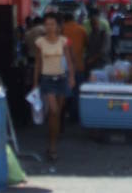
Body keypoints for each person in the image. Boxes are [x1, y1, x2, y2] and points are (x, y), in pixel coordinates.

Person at [33, 12, 75, 162]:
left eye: (52, 24)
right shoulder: (40, 42)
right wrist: (35, 82)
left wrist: (71, 77)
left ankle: (53, 143)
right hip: (47, 80)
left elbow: (69, 61)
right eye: (47, 24)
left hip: (62, 79)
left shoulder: (64, 41)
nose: (49, 27)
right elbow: (38, 63)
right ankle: (52, 146)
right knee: (53, 110)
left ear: (57, 26)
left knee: (57, 114)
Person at [62, 12, 87, 121]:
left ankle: (63, 115)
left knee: (63, 93)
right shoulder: (81, 30)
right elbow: (86, 44)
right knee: (77, 92)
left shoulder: (61, 30)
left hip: (63, 66)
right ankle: (75, 115)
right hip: (78, 65)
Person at [85, 9, 110, 74]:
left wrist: (92, 59)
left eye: (95, 23)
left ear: (98, 23)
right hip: (91, 66)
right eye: (92, 24)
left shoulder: (104, 34)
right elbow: (88, 49)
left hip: (102, 64)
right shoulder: (90, 35)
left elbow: (103, 51)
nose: (94, 25)